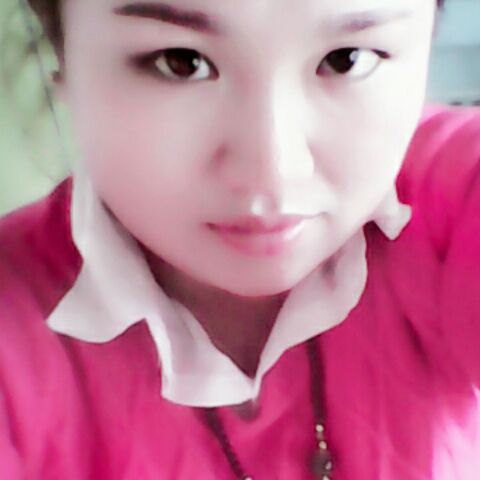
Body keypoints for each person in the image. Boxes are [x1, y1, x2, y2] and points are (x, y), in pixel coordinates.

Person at [1, 0, 480, 478]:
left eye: (345, 59)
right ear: (63, 59)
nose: (273, 171)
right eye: (181, 62)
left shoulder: (452, 195)